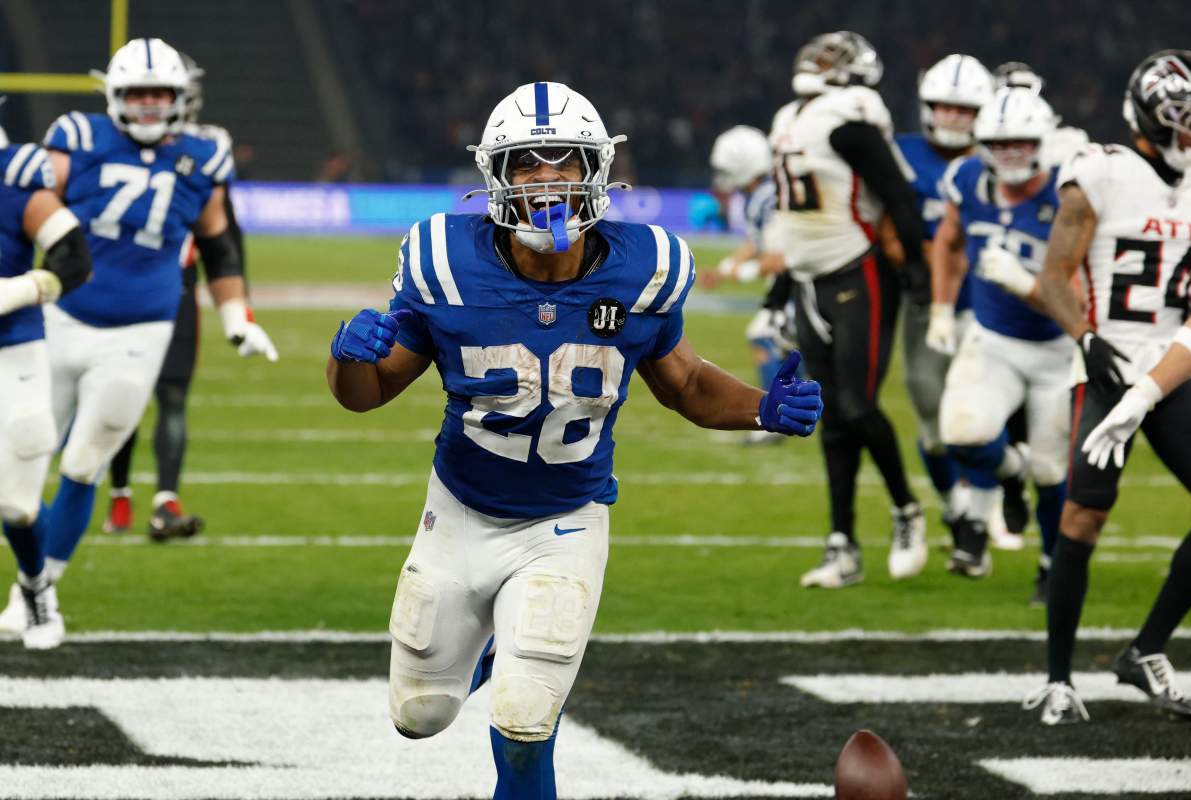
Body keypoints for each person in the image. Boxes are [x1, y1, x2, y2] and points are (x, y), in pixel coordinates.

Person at [326, 81, 823, 800]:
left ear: (598, 170)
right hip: (459, 512)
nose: (547, 178)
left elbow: (684, 383)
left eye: (565, 160)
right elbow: (366, 393)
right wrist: (346, 357)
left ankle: (525, 663)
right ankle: (499, 648)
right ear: (496, 175)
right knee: (419, 714)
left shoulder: (645, 267)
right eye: (527, 162)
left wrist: (760, 408)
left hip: (565, 520)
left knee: (524, 719)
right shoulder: (445, 260)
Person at [0, 37, 276, 639]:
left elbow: (218, 242)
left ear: (181, 96)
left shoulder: (203, 155)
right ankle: (33, 580)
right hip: (57, 320)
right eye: (137, 93)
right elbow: (25, 208)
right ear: (114, 95)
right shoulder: (77, 139)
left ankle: (36, 591)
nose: (150, 104)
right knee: (22, 459)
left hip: (142, 331)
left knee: (84, 463)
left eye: (160, 93)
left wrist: (236, 316)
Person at [982, 50, 1191, 725]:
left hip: (1177, 367)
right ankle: (1057, 678)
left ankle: (1145, 649)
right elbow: (1055, 275)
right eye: (1185, 119)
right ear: (1150, 115)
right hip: (1106, 364)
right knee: (1082, 517)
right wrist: (1084, 337)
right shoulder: (1101, 170)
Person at [765, 31, 927, 587]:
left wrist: (918, 273)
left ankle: (906, 509)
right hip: (811, 279)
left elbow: (898, 194)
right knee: (832, 418)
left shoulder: (847, 117)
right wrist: (777, 295)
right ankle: (842, 544)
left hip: (860, 270)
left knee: (857, 407)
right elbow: (794, 219)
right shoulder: (792, 117)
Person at [103, 51, 267, 540]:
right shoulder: (117, 143)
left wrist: (238, 303)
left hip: (177, 286)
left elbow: (223, 234)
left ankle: (165, 501)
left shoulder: (207, 149)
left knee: (172, 395)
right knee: (121, 396)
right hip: (125, 287)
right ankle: (119, 493)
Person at [929, 87, 1070, 589]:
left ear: (1042, 141)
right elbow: (948, 240)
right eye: (999, 143)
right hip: (993, 338)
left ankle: (1053, 565)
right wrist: (942, 307)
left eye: (1020, 142)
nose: (1009, 153)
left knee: (1051, 471)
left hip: (1059, 349)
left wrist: (1025, 284)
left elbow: (1079, 300)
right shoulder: (967, 179)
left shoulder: (1069, 194)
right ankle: (1011, 470)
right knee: (962, 435)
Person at [0, 125, 92, 649]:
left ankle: (36, 588)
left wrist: (23, 289)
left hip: (12, 348)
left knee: (17, 505)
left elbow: (74, 258)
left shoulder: (13, 177)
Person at [894, 53, 993, 536]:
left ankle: (987, 506)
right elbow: (885, 226)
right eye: (945, 107)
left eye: (964, 109)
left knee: (985, 415)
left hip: (990, 304)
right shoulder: (901, 153)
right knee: (930, 413)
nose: (953, 117)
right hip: (924, 302)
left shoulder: (1000, 157)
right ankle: (956, 506)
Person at [700, 124, 794, 444]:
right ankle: (792, 410)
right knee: (787, 345)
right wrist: (724, 270)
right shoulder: (763, 194)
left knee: (763, 335)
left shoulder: (766, 198)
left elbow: (780, 258)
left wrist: (739, 273)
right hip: (793, 285)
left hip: (798, 285)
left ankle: (775, 422)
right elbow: (757, 244)